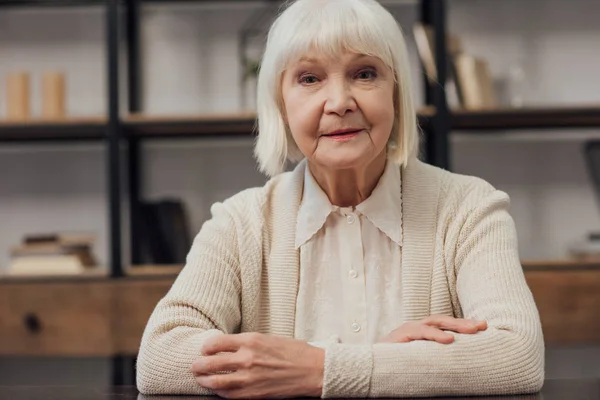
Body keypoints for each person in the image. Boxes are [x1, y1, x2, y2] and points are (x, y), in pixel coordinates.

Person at [136, 0, 545, 398]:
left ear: (396, 93)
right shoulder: (239, 222)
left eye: (364, 74)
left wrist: (316, 369)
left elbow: (517, 355)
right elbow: (160, 358)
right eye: (309, 79)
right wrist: (387, 362)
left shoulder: (470, 208)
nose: (339, 103)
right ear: (281, 104)